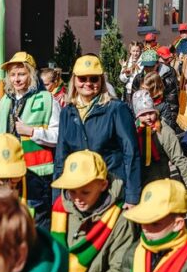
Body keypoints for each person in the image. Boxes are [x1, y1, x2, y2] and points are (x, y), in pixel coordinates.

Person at [50, 150, 135, 272]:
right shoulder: (61, 209)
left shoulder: (120, 221)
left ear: (103, 185)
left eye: (85, 192)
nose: (77, 199)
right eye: (72, 192)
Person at [55, 55, 141, 205]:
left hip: (110, 191)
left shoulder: (116, 109)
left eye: (94, 79)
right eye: (82, 78)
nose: (88, 83)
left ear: (101, 81)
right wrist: (57, 199)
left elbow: (131, 153)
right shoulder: (66, 112)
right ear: (74, 80)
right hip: (78, 193)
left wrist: (132, 197)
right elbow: (61, 157)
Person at [0, 52, 60, 226]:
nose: (17, 79)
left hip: (36, 174)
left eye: (21, 74)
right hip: (7, 174)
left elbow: (59, 136)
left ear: (31, 75)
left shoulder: (47, 99)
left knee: (37, 223)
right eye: (13, 75)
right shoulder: (4, 101)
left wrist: (32, 132)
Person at [133, 90, 187, 190]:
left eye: (150, 113)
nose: (148, 117)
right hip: (140, 185)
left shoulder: (165, 131)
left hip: (161, 183)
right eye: (143, 115)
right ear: (137, 116)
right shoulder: (134, 132)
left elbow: (178, 158)